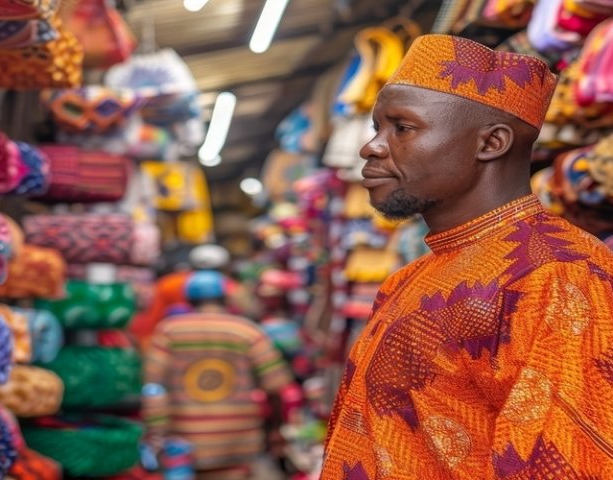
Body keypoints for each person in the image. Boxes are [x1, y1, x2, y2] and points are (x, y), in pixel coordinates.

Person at [320, 34, 613, 479]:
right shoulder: (407, 279)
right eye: (376, 128)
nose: (372, 147)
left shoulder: (560, 276)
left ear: (491, 143)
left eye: (402, 128)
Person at [143, 269, 295, 480]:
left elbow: (153, 385)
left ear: (189, 300)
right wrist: (275, 430)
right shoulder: (247, 331)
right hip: (239, 440)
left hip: (184, 440)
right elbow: (275, 385)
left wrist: (155, 432)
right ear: (224, 298)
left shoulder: (169, 331)